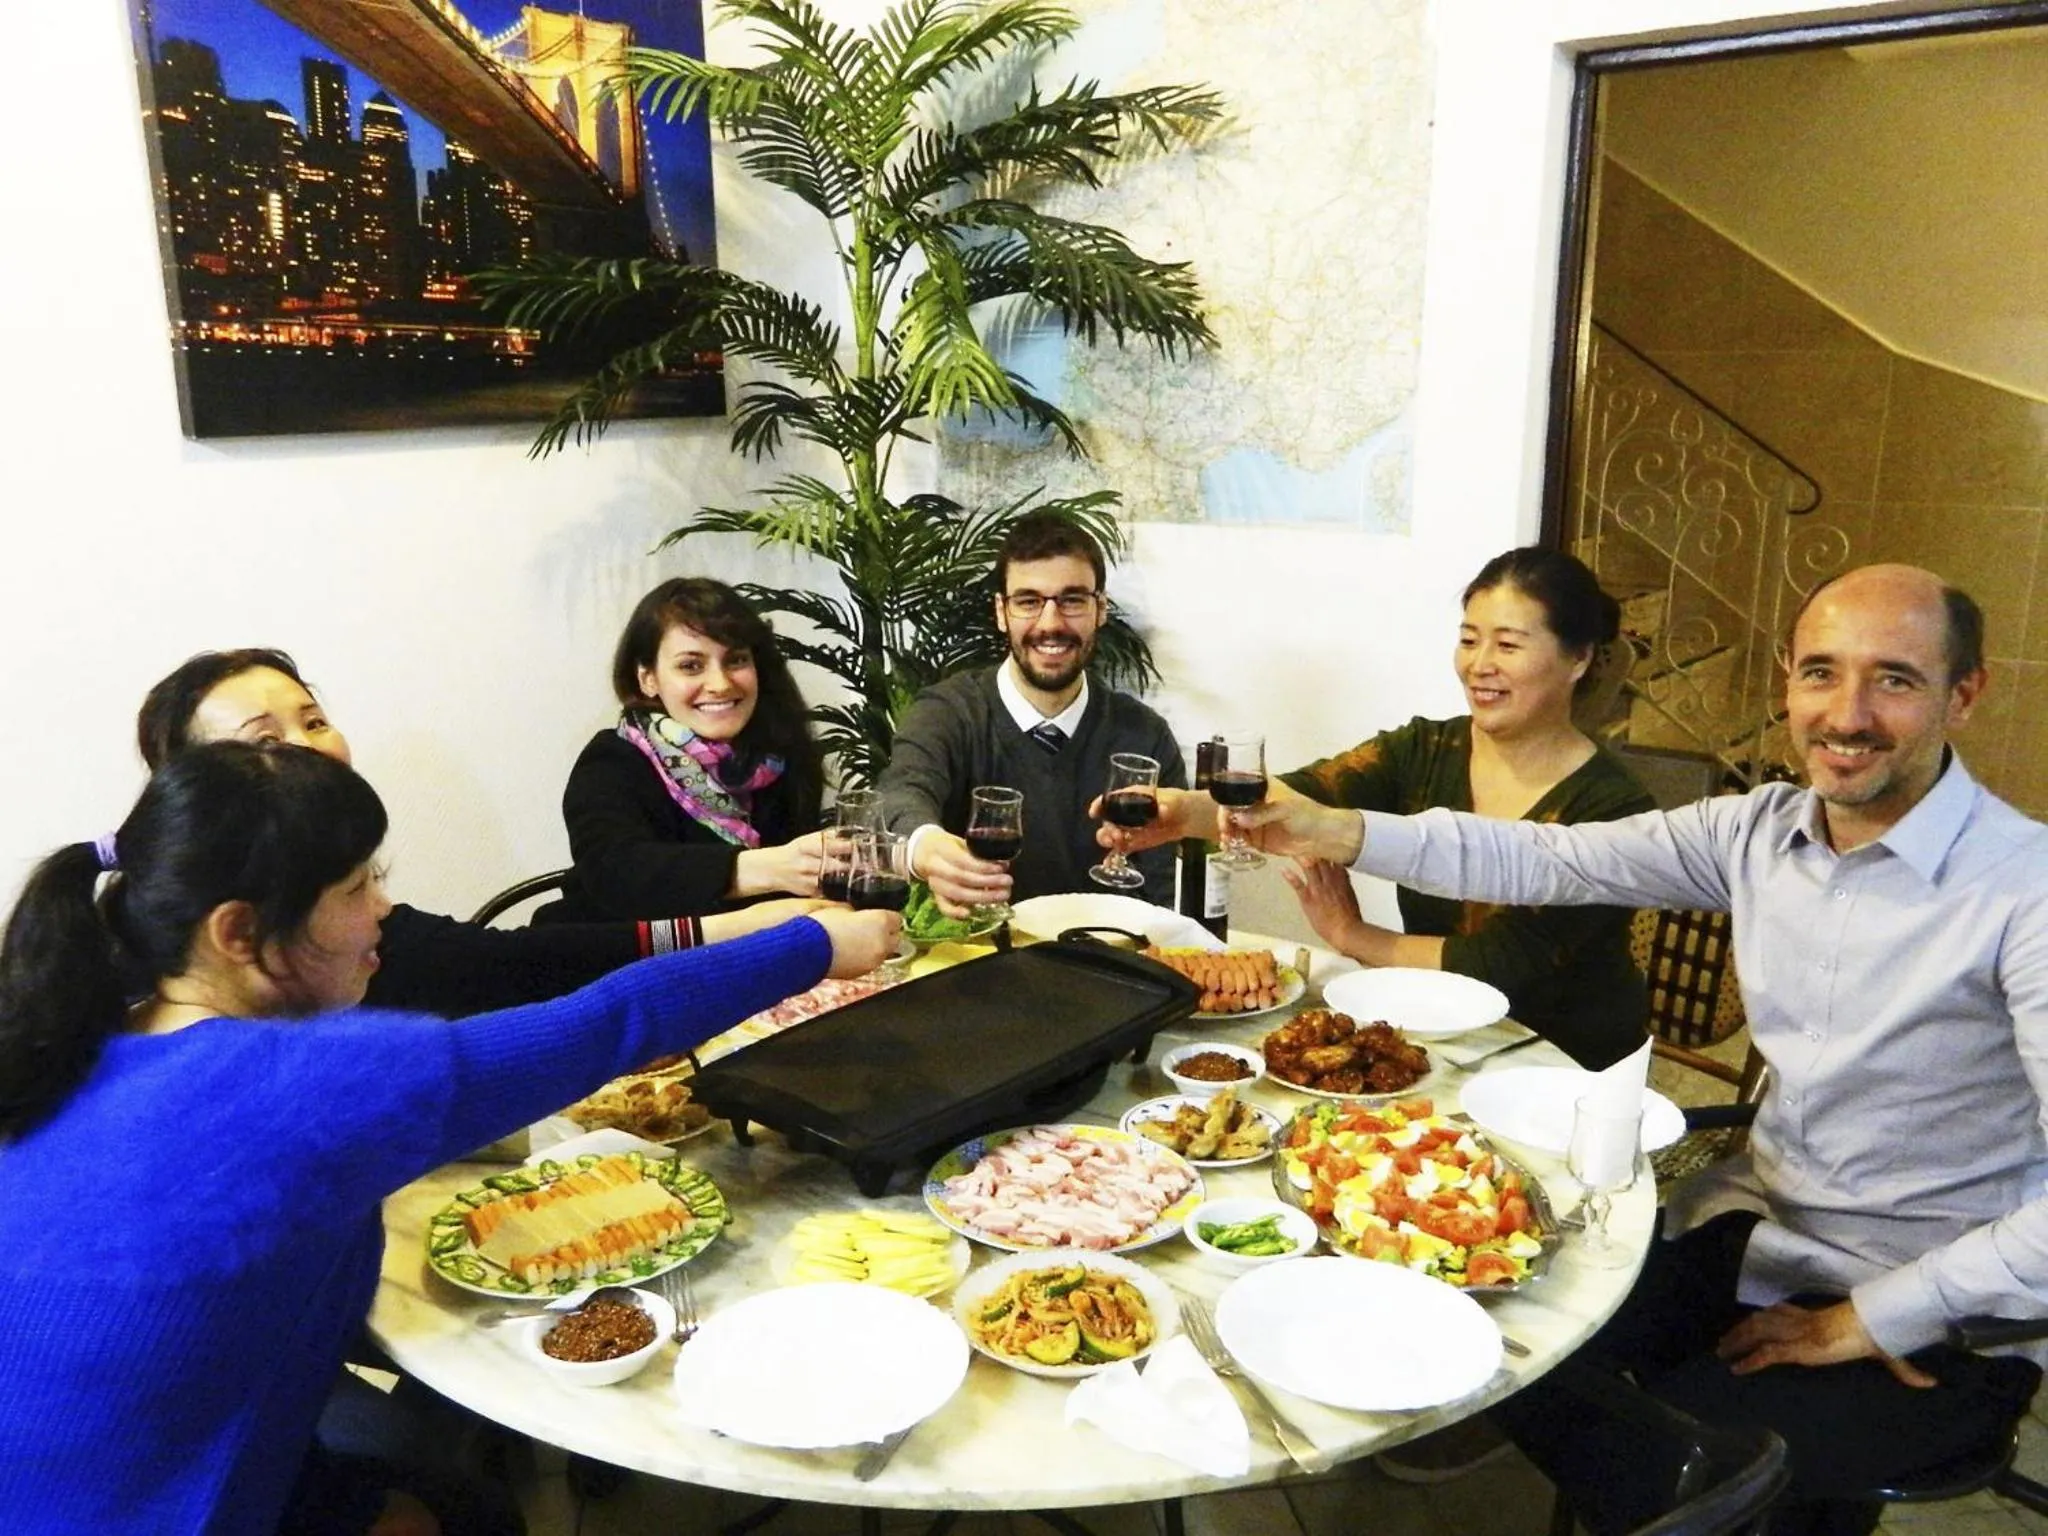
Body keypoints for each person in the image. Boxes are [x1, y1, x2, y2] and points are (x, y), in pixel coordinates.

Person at [1202, 564, 2048, 1534]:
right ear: (1787, 680)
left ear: (1963, 695)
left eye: (1893, 679)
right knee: (1498, 1339)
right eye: (1820, 672)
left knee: (1694, 1478)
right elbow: (1542, 857)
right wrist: (1331, 827)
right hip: (1759, 1236)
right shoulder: (1757, 830)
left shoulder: (2021, 890)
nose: (1846, 715)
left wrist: (1880, 1313)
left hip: (1943, 1307)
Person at [0, 741, 898, 1536]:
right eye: (356, 889)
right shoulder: (293, 1087)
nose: (383, 909)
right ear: (238, 932)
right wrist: (813, 945)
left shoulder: (75, 1038)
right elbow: (605, 1027)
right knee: (473, 1512)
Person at [1125, 547, 1655, 1069]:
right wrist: (1181, 814)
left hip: (1566, 1062)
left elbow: (1498, 966)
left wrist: (1352, 935)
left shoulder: (1614, 808)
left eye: (1508, 645)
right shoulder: (1425, 748)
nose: (1479, 665)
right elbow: (1301, 796)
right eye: (1469, 640)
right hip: (1439, 1039)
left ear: (1578, 658)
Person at [137, 648, 823, 1017]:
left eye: (314, 721)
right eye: (264, 741)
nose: (309, 747)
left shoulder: (777, 755)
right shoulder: (613, 758)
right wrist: (773, 929)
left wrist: (763, 927)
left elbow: (512, 964)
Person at [879, 512, 1185, 911]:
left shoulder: (1145, 736)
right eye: (1028, 602)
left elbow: (1165, 895)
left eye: (1072, 600)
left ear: (1100, 609)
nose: (1050, 623)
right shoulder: (948, 713)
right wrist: (927, 847)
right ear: (1001, 612)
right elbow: (899, 795)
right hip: (975, 947)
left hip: (1108, 947)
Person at [553, 579, 830, 922]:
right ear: (647, 678)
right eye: (691, 666)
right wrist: (767, 869)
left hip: (763, 949)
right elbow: (616, 874)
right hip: (620, 950)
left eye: (736, 660)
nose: (720, 684)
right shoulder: (612, 761)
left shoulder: (779, 757)